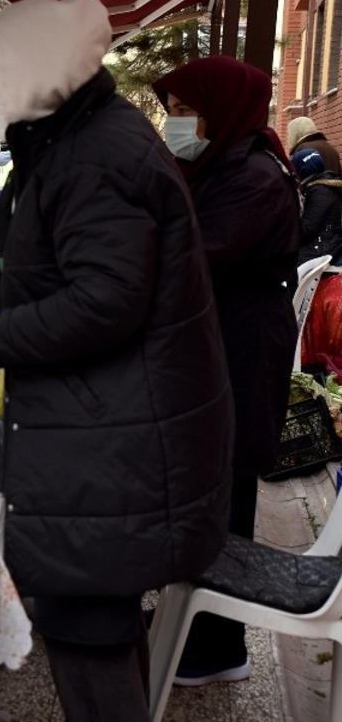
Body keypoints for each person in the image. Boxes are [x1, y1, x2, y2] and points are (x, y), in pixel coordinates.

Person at [0, 0, 232, 722]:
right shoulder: (66, 140)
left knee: (86, 625)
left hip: (115, 437)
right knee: (97, 623)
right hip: (108, 425)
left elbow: (101, 302)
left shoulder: (97, 155)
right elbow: (40, 246)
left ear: (29, 74)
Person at [153, 55, 300, 686]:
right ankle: (197, 616)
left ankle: (220, 646)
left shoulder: (257, 178)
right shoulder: (218, 165)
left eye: (184, 111)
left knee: (225, 483)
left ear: (223, 109)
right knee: (207, 482)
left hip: (242, 342)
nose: (173, 123)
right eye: (171, 111)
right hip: (221, 335)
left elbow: (195, 256)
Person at [292, 148, 342, 266]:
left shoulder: (320, 191)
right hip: (328, 243)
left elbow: (307, 229)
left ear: (302, 170)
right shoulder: (322, 184)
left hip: (324, 247)